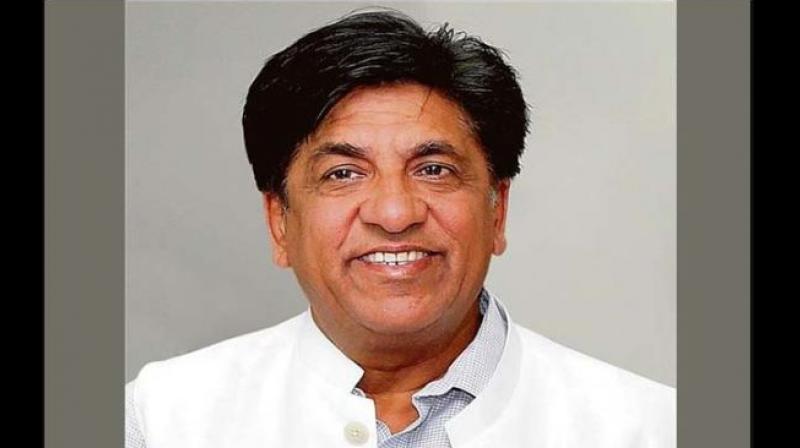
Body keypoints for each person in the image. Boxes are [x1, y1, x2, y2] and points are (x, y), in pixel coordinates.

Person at [126, 10, 675, 448]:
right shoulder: (162, 419)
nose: (394, 213)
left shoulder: (651, 429)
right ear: (279, 223)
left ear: (497, 210)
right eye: (343, 173)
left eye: (433, 170)